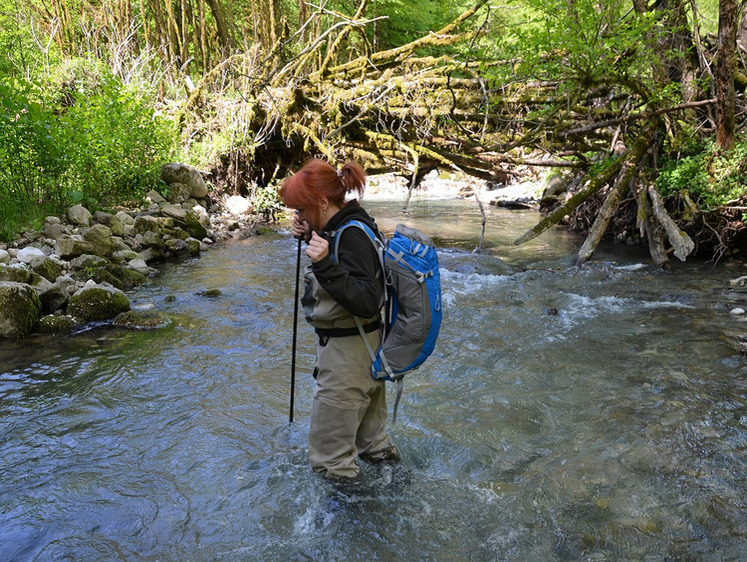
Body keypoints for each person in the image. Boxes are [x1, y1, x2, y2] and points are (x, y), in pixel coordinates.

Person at [279, 158, 400, 482]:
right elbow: (349, 270)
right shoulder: (351, 226)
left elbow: (366, 299)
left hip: (348, 360)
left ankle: (357, 530)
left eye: (302, 209)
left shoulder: (350, 236)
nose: (298, 216)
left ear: (321, 202)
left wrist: (323, 264)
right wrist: (311, 236)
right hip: (367, 350)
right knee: (374, 446)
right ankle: (397, 503)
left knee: (331, 462)